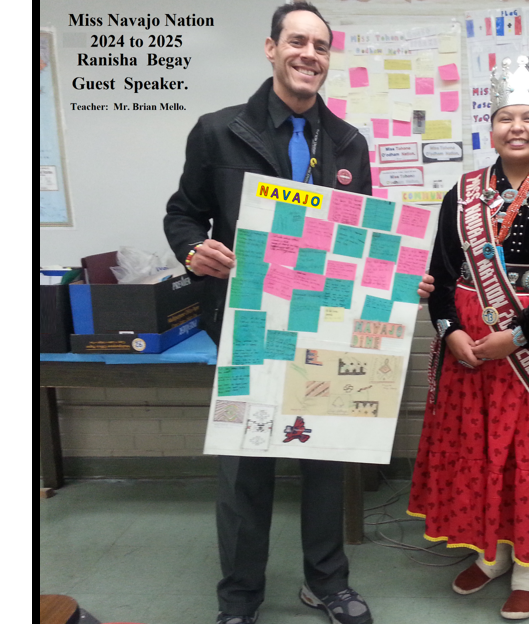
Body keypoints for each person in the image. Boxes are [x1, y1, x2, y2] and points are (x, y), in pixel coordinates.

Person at [163, 4, 372, 624]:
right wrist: (192, 249)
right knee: (245, 466)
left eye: (321, 46)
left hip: (322, 325)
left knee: (326, 459)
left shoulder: (348, 143)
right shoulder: (218, 131)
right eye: (297, 42)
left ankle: (327, 584)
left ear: (329, 59)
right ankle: (240, 598)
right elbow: (182, 213)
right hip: (248, 323)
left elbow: (358, 236)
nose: (310, 54)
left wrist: (393, 280)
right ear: (271, 48)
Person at [407, 56, 529, 620]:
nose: (517, 127)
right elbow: (439, 272)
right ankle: (493, 552)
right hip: (467, 342)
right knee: (480, 446)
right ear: (489, 128)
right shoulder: (460, 193)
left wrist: (515, 337)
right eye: (506, 117)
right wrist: (449, 329)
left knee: (525, 450)